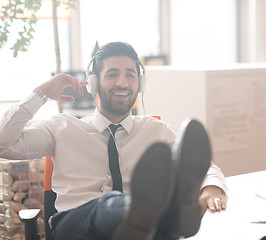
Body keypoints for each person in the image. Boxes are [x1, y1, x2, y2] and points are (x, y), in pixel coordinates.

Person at [0, 41, 227, 239]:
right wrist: (41, 94)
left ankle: (160, 219)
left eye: (130, 75)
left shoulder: (154, 130)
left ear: (140, 84)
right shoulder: (63, 127)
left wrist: (212, 188)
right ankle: (159, 215)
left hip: (136, 233)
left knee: (156, 231)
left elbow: (203, 166)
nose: (122, 83)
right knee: (107, 205)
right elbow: (3, 144)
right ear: (94, 83)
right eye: (112, 74)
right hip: (75, 226)